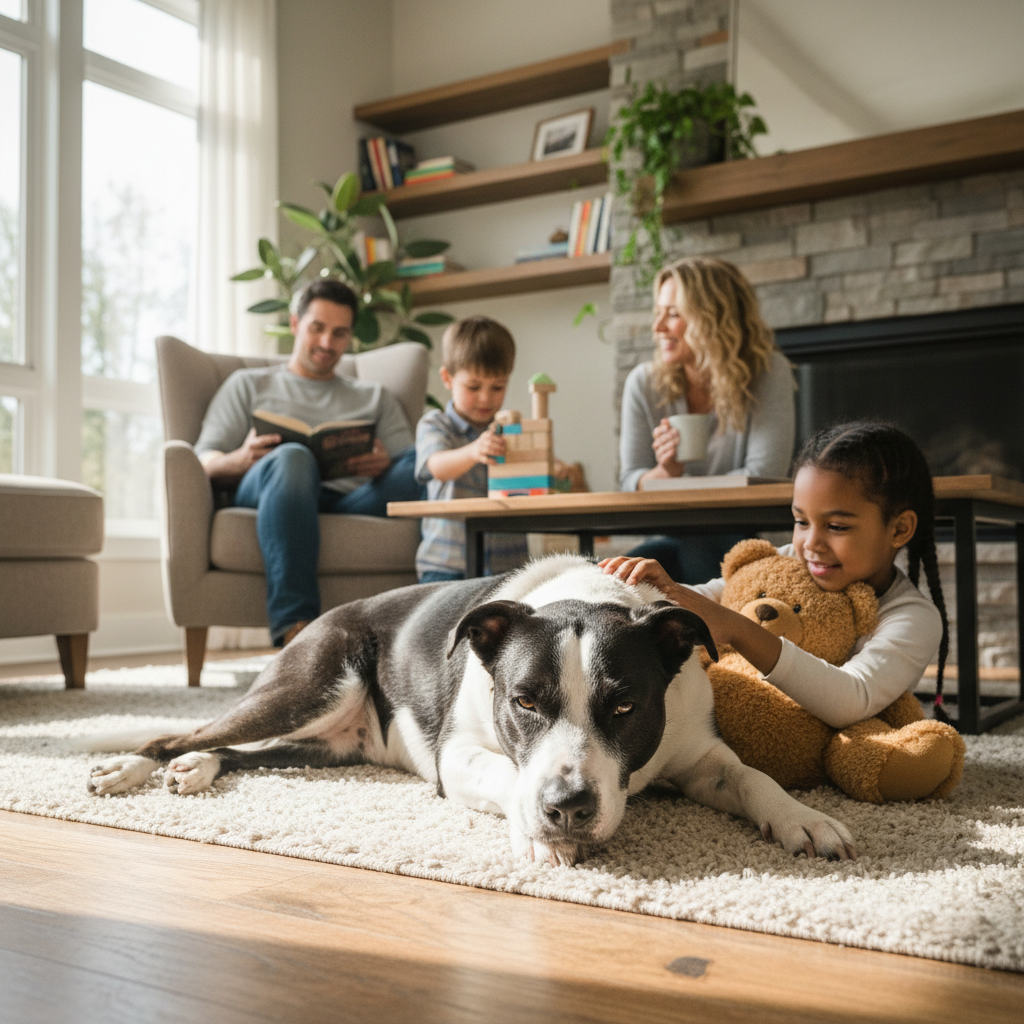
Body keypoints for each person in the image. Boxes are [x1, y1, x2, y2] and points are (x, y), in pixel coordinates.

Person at [603, 421, 951, 749]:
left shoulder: (913, 617)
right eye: (801, 521)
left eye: (838, 527)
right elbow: (715, 595)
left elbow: (852, 698)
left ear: (900, 529)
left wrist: (739, 630)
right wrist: (663, 588)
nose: (811, 543)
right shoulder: (789, 561)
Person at [194, 278, 423, 646]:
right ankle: (295, 628)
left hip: (351, 498)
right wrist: (240, 458)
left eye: (339, 333)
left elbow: (415, 465)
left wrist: (383, 463)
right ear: (295, 323)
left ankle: (439, 614)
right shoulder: (247, 385)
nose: (326, 343)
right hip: (275, 490)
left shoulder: (373, 396)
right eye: (317, 328)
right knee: (293, 458)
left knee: (424, 463)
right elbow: (204, 462)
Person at [619, 255, 796, 583]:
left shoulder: (768, 372)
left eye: (673, 314)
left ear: (713, 317)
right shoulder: (643, 382)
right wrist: (665, 471)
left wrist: (670, 487)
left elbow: (764, 474)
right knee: (610, 575)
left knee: (695, 553)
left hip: (738, 536)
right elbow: (630, 479)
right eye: (658, 314)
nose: (658, 328)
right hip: (673, 534)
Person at [415, 316, 529, 582]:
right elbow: (436, 466)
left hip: (508, 565)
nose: (486, 398)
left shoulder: (510, 428)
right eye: (473, 387)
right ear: (447, 378)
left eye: (497, 387)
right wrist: (472, 451)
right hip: (446, 565)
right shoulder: (436, 424)